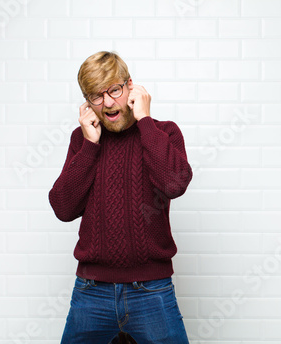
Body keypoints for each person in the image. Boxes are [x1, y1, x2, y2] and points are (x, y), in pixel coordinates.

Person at [48, 51, 192, 344]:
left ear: (131, 87)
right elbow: (63, 208)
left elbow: (174, 184)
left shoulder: (164, 132)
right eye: (96, 96)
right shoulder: (83, 139)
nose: (109, 102)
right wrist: (90, 145)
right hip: (91, 291)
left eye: (114, 90)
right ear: (87, 103)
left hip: (151, 290)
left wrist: (145, 121)